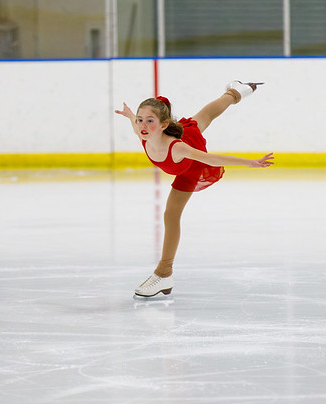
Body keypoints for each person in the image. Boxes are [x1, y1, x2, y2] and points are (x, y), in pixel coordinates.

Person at [115, 80, 274, 298]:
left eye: (149, 120)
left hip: (190, 165)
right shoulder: (144, 134)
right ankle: (236, 90)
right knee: (204, 117)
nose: (142, 125)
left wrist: (250, 162)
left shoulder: (178, 147)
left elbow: (212, 159)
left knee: (171, 215)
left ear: (163, 125)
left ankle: (164, 272)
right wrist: (130, 115)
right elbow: (135, 123)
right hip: (181, 145)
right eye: (141, 120)